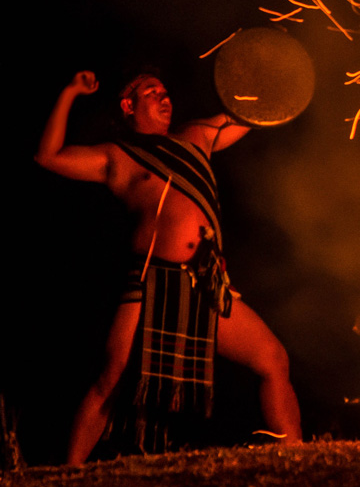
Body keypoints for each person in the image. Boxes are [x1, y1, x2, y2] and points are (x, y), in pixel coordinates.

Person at [36, 71, 301, 463]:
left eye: (166, 91)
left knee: (273, 358)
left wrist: (279, 73)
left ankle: (294, 453)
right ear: (129, 105)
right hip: (150, 284)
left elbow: (254, 114)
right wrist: (70, 92)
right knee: (112, 376)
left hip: (206, 283)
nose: (165, 98)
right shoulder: (117, 157)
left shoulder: (196, 135)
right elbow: (48, 156)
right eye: (152, 92)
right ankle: (67, 471)